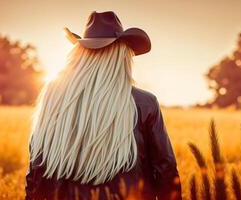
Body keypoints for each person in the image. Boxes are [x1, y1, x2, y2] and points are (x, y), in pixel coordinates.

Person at [25, 11, 181, 200]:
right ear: (121, 57)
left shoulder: (53, 100)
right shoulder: (143, 103)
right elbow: (165, 172)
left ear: (81, 55)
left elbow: (36, 174)